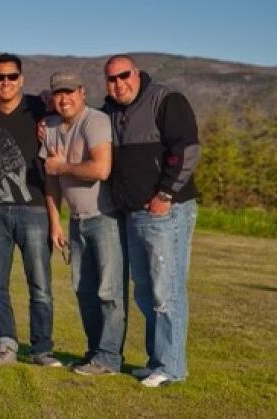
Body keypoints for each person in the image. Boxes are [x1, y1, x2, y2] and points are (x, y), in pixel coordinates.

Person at [102, 54, 199, 387]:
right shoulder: (111, 111)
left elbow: (187, 150)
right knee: (146, 292)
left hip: (165, 211)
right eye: (111, 79)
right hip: (134, 214)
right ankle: (158, 360)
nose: (119, 83)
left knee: (166, 290)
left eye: (124, 76)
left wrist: (165, 194)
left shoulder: (165, 100)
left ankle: (172, 367)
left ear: (137, 74)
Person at [0, 53, 62, 368]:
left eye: (12, 77)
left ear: (21, 79)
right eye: (0, 77)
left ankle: (42, 350)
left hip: (35, 209)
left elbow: (71, 112)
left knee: (40, 284)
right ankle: (5, 346)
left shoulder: (40, 107)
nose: (6, 82)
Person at [41, 71, 128, 376]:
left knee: (109, 291)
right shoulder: (50, 127)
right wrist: (55, 221)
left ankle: (109, 358)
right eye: (58, 94)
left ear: (81, 92)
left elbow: (101, 169)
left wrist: (63, 165)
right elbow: (51, 181)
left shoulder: (96, 121)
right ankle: (95, 352)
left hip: (105, 218)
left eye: (69, 92)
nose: (64, 99)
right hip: (76, 221)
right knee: (84, 290)